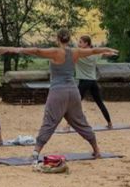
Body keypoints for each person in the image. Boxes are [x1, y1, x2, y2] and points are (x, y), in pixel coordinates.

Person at [12, 30, 118, 159]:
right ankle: (96, 150)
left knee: (49, 121)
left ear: (58, 39)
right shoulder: (75, 52)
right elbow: (93, 51)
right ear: (68, 40)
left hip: (58, 91)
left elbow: (37, 51)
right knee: (81, 121)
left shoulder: (55, 51)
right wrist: (106, 49)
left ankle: (35, 152)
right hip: (73, 92)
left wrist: (19, 49)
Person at [73, 35, 113, 128]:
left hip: (84, 82)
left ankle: (67, 126)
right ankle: (110, 123)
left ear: (86, 43)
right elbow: (103, 53)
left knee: (75, 104)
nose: (78, 44)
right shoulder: (95, 53)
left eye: (80, 42)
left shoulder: (79, 54)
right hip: (93, 82)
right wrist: (109, 52)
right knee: (100, 103)